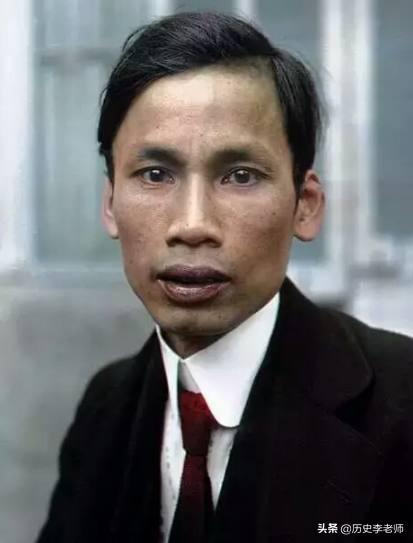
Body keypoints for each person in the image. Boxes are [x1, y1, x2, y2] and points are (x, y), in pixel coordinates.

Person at [35, 11, 413, 543]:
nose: (192, 225)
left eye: (240, 176)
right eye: (155, 174)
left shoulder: (401, 404)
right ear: (110, 204)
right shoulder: (106, 406)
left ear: (305, 205)